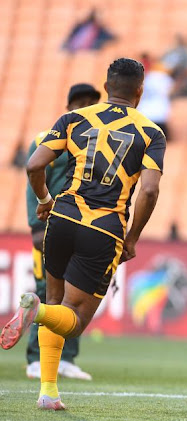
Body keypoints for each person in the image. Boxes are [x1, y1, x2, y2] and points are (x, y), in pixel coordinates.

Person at [1, 58, 166, 411]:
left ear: (106, 87)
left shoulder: (75, 119)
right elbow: (149, 191)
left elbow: (34, 165)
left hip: (60, 219)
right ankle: (37, 314)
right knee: (73, 321)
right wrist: (133, 238)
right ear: (140, 91)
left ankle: (48, 392)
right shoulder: (151, 133)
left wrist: (44, 201)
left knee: (57, 302)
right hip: (102, 229)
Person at [24, 83, 102, 381]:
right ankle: (36, 358)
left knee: (76, 295)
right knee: (47, 293)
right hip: (49, 226)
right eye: (80, 102)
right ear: (69, 105)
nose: (84, 107)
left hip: (80, 227)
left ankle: (66, 358)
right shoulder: (47, 140)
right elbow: (34, 177)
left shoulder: (93, 142)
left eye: (90, 103)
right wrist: (35, 226)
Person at [137, 60, 173, 140]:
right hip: (160, 115)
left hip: (144, 115)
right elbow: (169, 92)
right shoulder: (165, 78)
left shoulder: (144, 78)